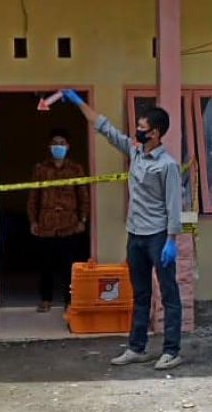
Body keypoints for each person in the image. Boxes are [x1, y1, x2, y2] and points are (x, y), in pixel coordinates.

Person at [63, 90, 184, 370]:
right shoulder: (135, 152)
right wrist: (78, 101)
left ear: (155, 133)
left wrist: (172, 240)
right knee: (140, 294)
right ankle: (136, 348)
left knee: (168, 294)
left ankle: (171, 350)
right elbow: (104, 127)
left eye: (142, 129)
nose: (137, 133)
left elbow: (174, 205)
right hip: (136, 236)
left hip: (158, 237)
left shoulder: (168, 166)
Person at [27, 128, 90, 312]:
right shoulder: (41, 169)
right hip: (46, 224)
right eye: (55, 143)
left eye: (62, 143)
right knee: (45, 264)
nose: (58, 146)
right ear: (49, 146)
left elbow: (83, 196)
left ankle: (69, 301)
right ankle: (46, 299)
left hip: (69, 224)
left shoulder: (76, 169)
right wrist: (33, 221)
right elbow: (33, 197)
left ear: (68, 146)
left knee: (69, 265)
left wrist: (82, 220)